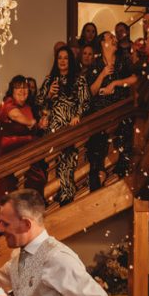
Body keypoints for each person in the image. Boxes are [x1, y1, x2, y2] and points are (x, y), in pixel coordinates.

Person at [85, 31, 139, 190]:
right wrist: (102, 75)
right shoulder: (95, 66)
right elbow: (90, 92)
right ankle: (98, 173)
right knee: (95, 138)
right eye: (110, 37)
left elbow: (135, 78)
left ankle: (121, 170)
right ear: (102, 43)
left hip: (121, 109)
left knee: (127, 129)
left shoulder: (123, 61)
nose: (115, 39)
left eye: (115, 37)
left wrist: (114, 84)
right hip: (101, 114)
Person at [36, 45, 90, 205]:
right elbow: (39, 103)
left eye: (66, 58)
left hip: (71, 128)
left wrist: (78, 115)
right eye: (60, 58)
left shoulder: (79, 79)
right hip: (53, 130)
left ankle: (69, 199)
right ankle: (55, 199)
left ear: (70, 60)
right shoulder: (50, 79)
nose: (62, 61)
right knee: (55, 165)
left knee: (70, 164)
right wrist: (49, 94)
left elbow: (85, 101)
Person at [0, 75, 44, 204]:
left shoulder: (28, 107)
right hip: (7, 151)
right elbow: (15, 115)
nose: (22, 90)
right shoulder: (8, 103)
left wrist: (39, 125)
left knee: (37, 180)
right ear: (12, 91)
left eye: (25, 87)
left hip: (24, 153)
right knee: (7, 186)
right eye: (18, 88)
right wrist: (31, 122)